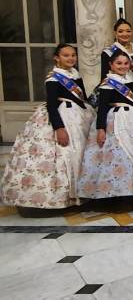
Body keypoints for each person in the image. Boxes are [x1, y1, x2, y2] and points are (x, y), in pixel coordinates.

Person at [1, 44, 95, 209]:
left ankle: (84, 192)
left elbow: (83, 98)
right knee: (66, 154)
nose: (71, 58)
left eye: (73, 55)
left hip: (80, 116)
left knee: (82, 153)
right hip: (62, 117)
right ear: (56, 58)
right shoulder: (53, 78)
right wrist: (59, 128)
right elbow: (52, 105)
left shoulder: (75, 74)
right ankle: (66, 196)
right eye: (66, 55)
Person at [77, 50, 133, 199]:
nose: (123, 66)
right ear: (111, 65)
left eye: (126, 63)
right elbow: (103, 108)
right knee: (116, 157)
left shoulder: (131, 80)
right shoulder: (107, 83)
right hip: (115, 122)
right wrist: (101, 129)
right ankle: (112, 193)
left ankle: (132, 192)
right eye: (119, 63)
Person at [100, 18, 133, 84]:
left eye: (128, 31)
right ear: (115, 33)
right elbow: (104, 76)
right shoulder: (108, 52)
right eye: (120, 31)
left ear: (132, 32)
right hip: (118, 87)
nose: (125, 34)